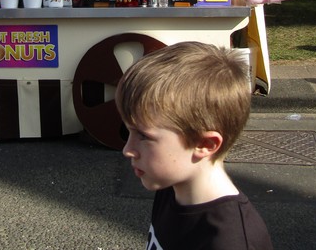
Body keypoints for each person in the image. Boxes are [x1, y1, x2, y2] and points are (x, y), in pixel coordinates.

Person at [116, 42, 273, 250]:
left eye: (143, 136)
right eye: (128, 132)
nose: (127, 149)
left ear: (205, 144)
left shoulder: (230, 241)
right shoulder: (171, 187)